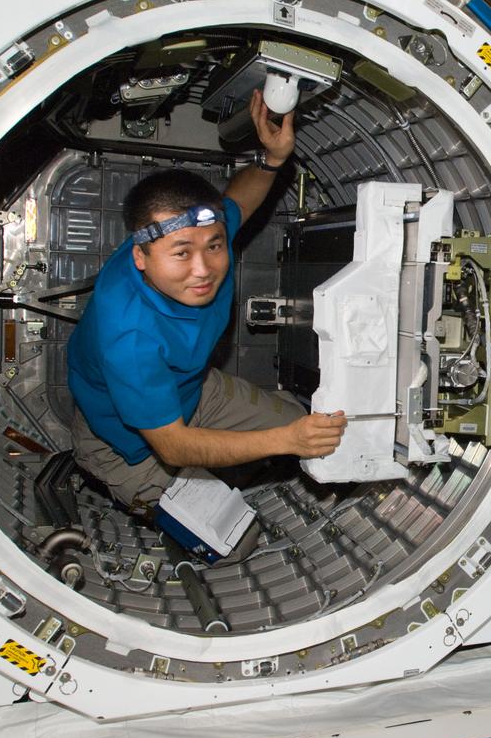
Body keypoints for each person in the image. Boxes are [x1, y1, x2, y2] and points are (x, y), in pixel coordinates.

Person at [67, 89, 346, 553]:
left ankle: (240, 458)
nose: (204, 269)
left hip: (192, 389)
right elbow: (174, 447)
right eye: (181, 254)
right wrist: (285, 441)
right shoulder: (129, 336)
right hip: (129, 442)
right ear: (140, 257)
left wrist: (273, 161)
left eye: (214, 246)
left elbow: (237, 201)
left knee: (315, 427)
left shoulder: (199, 228)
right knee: (237, 542)